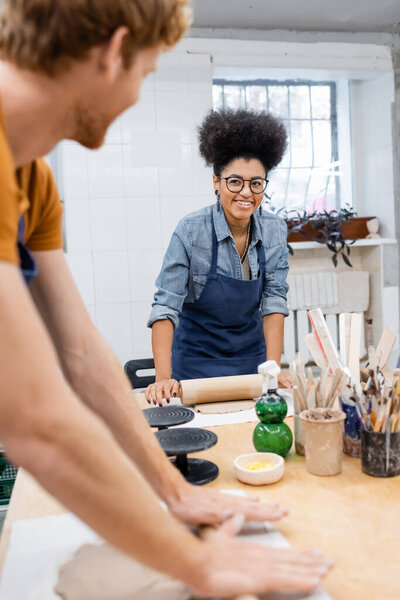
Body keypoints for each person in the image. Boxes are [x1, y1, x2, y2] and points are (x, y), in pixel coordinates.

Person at [0, 1, 331, 596]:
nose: (138, 94)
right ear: (112, 51)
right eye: (147, 72)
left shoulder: (32, 179)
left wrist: (175, 493)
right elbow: (38, 423)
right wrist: (198, 565)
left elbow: (80, 354)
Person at [146, 108, 292, 404]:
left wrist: (272, 370)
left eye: (256, 183)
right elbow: (165, 306)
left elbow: (275, 301)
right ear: (217, 181)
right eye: (235, 181)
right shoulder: (190, 231)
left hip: (252, 367)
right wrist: (163, 377)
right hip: (195, 369)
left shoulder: (274, 230)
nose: (246, 193)